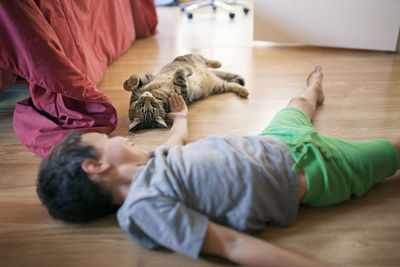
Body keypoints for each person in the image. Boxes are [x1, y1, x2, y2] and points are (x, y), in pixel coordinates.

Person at [37, 65, 400, 267]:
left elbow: (173, 143)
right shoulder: (143, 206)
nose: (121, 137)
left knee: (297, 104)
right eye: (107, 141)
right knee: (390, 150)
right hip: (316, 168)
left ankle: (314, 88)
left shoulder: (151, 165)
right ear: (95, 167)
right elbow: (230, 245)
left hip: (273, 140)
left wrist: (180, 118)